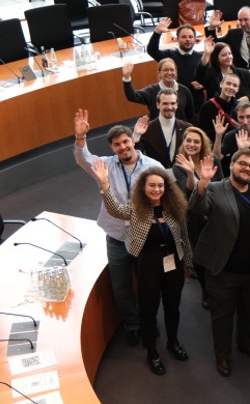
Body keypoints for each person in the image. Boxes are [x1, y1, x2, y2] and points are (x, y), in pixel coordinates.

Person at [73, 110, 165, 348]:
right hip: (116, 235)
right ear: (112, 148)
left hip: (144, 235)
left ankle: (148, 323)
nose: (123, 147)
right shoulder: (105, 166)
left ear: (133, 140)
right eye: (117, 145)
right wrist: (80, 139)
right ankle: (133, 326)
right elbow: (83, 159)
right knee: (120, 288)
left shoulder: (152, 166)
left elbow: (165, 194)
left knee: (147, 284)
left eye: (125, 142)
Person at [93, 160, 192, 376]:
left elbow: (184, 236)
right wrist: (105, 185)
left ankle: (173, 342)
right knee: (148, 309)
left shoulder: (175, 207)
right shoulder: (136, 209)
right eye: (152, 186)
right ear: (143, 188)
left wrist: (188, 264)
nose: (157, 190)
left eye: (160, 186)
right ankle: (152, 352)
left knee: (173, 306)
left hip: (173, 262)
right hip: (149, 264)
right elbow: (115, 209)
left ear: (166, 187)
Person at [188, 149, 250, 378]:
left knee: (249, 312)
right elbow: (197, 207)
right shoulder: (216, 189)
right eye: (242, 164)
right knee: (222, 317)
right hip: (224, 270)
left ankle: (245, 343)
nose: (247, 169)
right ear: (232, 164)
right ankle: (222, 356)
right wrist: (203, 181)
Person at [172, 126, 222, 310]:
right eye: (189, 140)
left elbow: (221, 184)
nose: (192, 144)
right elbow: (187, 193)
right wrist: (192, 173)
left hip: (216, 214)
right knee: (200, 256)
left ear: (202, 144)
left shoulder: (213, 159)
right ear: (183, 143)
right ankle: (206, 292)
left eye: (196, 141)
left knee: (219, 251)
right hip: (194, 217)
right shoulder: (178, 164)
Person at [205, 6, 250, 88]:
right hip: (239, 83)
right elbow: (215, 44)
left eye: (246, 19)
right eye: (240, 20)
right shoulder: (233, 34)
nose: (243, 23)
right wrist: (211, 28)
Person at [146, 19, 203, 108]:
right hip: (174, 105)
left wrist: (203, 84)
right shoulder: (169, 55)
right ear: (177, 39)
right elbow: (152, 51)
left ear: (195, 39)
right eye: (184, 37)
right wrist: (157, 32)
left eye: (190, 37)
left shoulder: (200, 57)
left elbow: (209, 77)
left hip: (195, 104)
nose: (188, 39)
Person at [131, 89, 193, 169]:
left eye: (172, 103)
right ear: (158, 105)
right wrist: (136, 136)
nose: (169, 107)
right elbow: (135, 157)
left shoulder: (187, 128)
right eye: (165, 103)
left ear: (177, 105)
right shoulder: (146, 129)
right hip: (157, 176)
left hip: (182, 176)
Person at [122, 58, 196, 122]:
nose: (169, 73)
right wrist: (127, 77)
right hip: (158, 132)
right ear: (160, 73)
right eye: (166, 70)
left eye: (172, 70)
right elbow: (132, 96)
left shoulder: (185, 91)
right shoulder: (152, 91)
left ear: (176, 72)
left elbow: (190, 115)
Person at [196, 39, 250, 103]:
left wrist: (247, 98)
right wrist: (206, 54)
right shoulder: (211, 75)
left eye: (229, 53)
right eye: (224, 55)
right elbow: (199, 75)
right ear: (216, 58)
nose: (228, 57)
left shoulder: (244, 73)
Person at [219, 101, 250, 174]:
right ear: (237, 118)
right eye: (241, 117)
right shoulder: (231, 135)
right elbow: (217, 158)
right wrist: (218, 136)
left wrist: (243, 150)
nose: (245, 122)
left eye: (248, 117)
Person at [197, 72, 240, 143]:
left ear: (238, 89)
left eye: (234, 85)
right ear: (221, 84)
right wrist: (218, 133)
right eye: (228, 83)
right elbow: (202, 132)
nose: (231, 87)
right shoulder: (208, 106)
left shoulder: (239, 107)